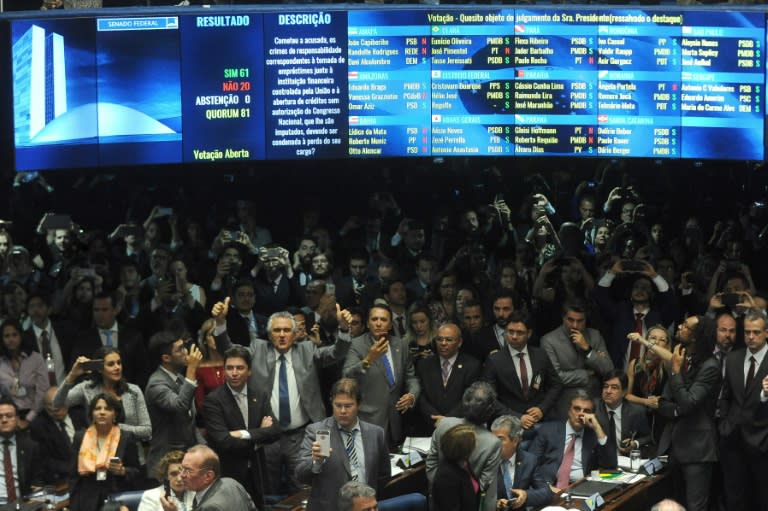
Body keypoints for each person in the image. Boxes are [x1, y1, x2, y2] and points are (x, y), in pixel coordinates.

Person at [209, 298, 353, 495]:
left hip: (302, 434)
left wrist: (344, 329)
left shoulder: (307, 350)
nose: (282, 335)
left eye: (287, 330)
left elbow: (337, 353)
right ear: (269, 334)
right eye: (277, 330)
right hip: (267, 436)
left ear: (295, 335)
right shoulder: (258, 349)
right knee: (268, 487)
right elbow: (229, 352)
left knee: (305, 486)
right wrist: (219, 323)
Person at [202, 345, 280, 508]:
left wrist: (244, 434)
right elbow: (223, 440)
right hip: (229, 473)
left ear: (249, 371)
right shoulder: (213, 400)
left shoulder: (259, 394)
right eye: (229, 368)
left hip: (257, 472)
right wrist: (259, 437)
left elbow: (275, 431)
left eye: (239, 368)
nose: (234, 373)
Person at [296, 378, 390, 511]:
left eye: (348, 406)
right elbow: (300, 475)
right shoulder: (317, 432)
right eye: (338, 405)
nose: (343, 411)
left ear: (359, 405)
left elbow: (383, 475)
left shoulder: (376, 434)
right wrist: (316, 462)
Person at [657, 315, 719, 511]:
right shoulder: (681, 357)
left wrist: (675, 373)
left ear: (695, 337)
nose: (680, 327)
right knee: (675, 505)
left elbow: (688, 401)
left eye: (686, 326)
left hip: (697, 449)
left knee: (694, 507)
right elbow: (663, 402)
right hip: (675, 444)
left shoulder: (710, 365)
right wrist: (677, 410)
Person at [55, 346, 152, 468]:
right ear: (100, 368)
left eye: (119, 363)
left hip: (131, 459)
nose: (117, 367)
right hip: (97, 459)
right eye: (111, 364)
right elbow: (57, 403)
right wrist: (72, 375)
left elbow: (147, 431)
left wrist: (115, 427)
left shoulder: (133, 391)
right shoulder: (87, 389)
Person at [343, 303, 420, 447]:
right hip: (369, 419)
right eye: (374, 319)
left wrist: (412, 395)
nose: (378, 323)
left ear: (390, 325)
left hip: (396, 419)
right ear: (367, 323)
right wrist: (369, 359)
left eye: (383, 320)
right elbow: (347, 375)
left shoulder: (401, 345)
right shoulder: (356, 345)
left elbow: (411, 377)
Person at [718, 310, 768, 511]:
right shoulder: (733, 359)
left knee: (762, 500)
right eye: (747, 332)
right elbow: (726, 396)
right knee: (734, 500)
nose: (751, 337)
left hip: (763, 443)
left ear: (766, 332)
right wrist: (724, 424)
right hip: (732, 441)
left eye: (756, 332)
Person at [426, 381, 502, 511]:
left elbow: (431, 463)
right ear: (491, 410)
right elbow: (485, 484)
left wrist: (443, 487)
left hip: (438, 500)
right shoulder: (493, 443)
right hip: (469, 503)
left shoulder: (443, 424)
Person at [482, 310, 562, 426]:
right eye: (510, 331)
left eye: (519, 332)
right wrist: (517, 417)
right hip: (508, 423)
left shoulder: (541, 355)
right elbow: (490, 398)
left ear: (529, 333)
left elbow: (556, 384)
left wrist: (542, 409)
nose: (514, 336)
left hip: (540, 420)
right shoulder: (494, 360)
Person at [145, 329, 204, 478]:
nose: (186, 352)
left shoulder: (181, 379)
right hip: (165, 466)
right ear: (166, 357)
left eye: (184, 347)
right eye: (180, 349)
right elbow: (180, 407)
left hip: (186, 460)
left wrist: (204, 449)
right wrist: (191, 370)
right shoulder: (156, 384)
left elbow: (190, 421)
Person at [529, 390, 617, 488]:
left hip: (582, 488)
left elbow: (611, 465)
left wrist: (597, 427)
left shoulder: (593, 434)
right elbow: (530, 465)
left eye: (586, 411)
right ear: (568, 410)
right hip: (549, 487)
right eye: (577, 409)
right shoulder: (548, 430)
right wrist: (546, 488)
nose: (581, 414)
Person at [541, 301, 614, 418]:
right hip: (564, 405)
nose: (575, 325)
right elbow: (556, 378)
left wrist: (588, 349)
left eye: (580, 321)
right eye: (570, 320)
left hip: (595, 403)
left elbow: (609, 371)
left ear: (586, 320)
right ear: (563, 318)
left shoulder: (595, 336)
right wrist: (588, 373)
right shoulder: (549, 341)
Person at [69, 393, 140, 511]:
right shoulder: (80, 437)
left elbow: (137, 472)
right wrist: (74, 501)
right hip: (85, 500)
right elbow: (73, 475)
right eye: (97, 409)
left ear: (115, 414)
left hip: (116, 497)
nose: (102, 412)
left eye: (107, 409)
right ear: (92, 413)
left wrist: (122, 471)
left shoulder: (126, 438)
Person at [70, 292, 148, 388]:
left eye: (104, 310)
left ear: (116, 310)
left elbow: (142, 371)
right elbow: (78, 371)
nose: (99, 314)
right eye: (96, 310)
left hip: (128, 393)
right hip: (95, 397)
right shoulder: (83, 339)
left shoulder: (133, 337)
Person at [415, 323, 481, 434]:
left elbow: (470, 397)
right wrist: (435, 418)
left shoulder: (472, 365)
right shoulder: (424, 364)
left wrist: (446, 420)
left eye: (449, 340)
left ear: (459, 342)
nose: (443, 343)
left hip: (459, 427)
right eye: (439, 339)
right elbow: (420, 396)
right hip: (429, 426)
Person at [159, 445, 256, 511]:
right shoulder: (232, 483)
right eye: (182, 468)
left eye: (188, 470)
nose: (182, 475)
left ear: (208, 476)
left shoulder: (210, 507)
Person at [490, 415, 553, 510]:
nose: (494, 443)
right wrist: (494, 504)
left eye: (500, 439)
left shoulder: (529, 460)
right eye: (492, 439)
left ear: (515, 441)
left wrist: (525, 495)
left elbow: (546, 493)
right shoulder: (487, 461)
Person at [625, 326, 670, 445]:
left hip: (661, 415)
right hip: (639, 416)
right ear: (646, 340)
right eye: (653, 338)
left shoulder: (668, 364)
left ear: (666, 345)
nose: (656, 342)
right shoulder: (635, 363)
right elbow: (627, 396)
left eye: (662, 340)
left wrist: (661, 400)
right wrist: (646, 402)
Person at [0, 319, 48, 429]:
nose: (11, 339)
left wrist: (28, 419)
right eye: (6, 336)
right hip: (6, 416)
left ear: (21, 336)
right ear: (2, 339)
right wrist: (10, 417)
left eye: (14, 335)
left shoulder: (35, 359)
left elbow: (43, 392)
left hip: (36, 414)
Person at [30, 386, 82, 483]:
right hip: (61, 477)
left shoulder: (79, 414)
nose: (58, 411)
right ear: (45, 407)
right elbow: (44, 460)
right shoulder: (38, 426)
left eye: (61, 405)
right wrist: (73, 469)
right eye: (52, 408)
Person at [595, 370, 651, 456]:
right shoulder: (593, 408)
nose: (608, 391)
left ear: (624, 392)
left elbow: (648, 437)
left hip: (625, 461)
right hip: (598, 461)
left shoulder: (636, 411)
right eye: (606, 386)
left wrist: (635, 443)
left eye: (614, 387)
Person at [0, 397, 42, 504]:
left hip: (21, 503)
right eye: (0, 417)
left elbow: (37, 480)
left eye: (9, 416)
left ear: (17, 419)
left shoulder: (30, 447)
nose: (4, 420)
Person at [431, 424, 480, 511]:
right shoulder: (446, 477)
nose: (477, 445)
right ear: (465, 449)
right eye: (474, 442)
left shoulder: (463, 462)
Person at [194, 318, 225, 411]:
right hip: (211, 418)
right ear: (204, 340)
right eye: (212, 334)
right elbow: (200, 403)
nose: (216, 337)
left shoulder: (234, 363)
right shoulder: (199, 368)